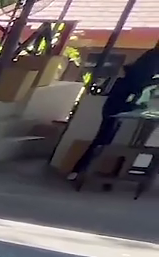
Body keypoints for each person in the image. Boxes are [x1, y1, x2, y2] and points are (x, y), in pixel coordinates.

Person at [68, 47, 159, 182]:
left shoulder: (147, 61)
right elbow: (139, 84)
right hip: (120, 105)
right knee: (104, 140)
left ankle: (81, 170)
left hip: (120, 104)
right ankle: (80, 170)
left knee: (105, 139)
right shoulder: (149, 64)